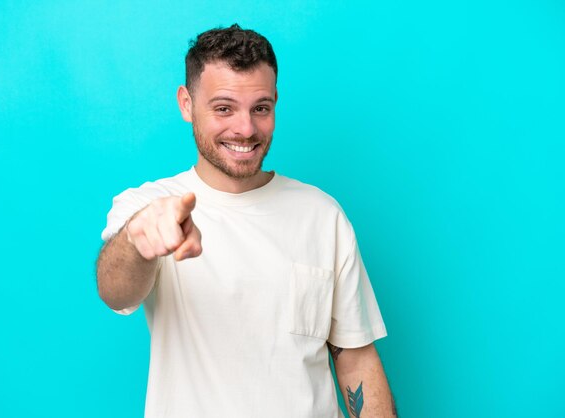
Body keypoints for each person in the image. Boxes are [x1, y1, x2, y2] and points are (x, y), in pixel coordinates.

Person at [97, 24, 396, 418]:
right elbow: (116, 292)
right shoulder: (149, 207)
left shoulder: (322, 215)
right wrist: (139, 242)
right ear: (186, 104)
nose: (246, 129)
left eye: (261, 108)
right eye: (224, 108)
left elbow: (355, 358)